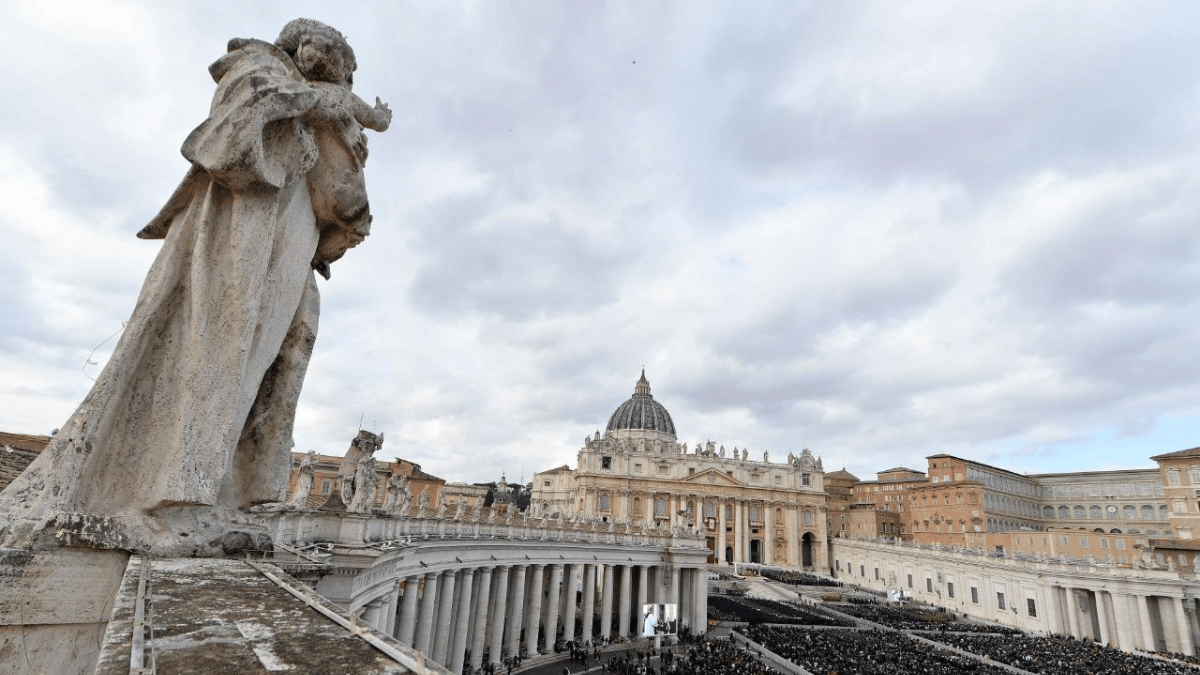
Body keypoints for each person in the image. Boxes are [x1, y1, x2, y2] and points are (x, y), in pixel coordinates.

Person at [0, 18, 389, 556]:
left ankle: (213, 495)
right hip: (244, 226)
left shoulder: (317, 102)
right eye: (337, 61)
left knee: (256, 362)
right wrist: (324, 105)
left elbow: (338, 192)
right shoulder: (256, 68)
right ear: (308, 49)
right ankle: (176, 500)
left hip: (289, 235)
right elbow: (236, 133)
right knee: (217, 349)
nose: (342, 74)